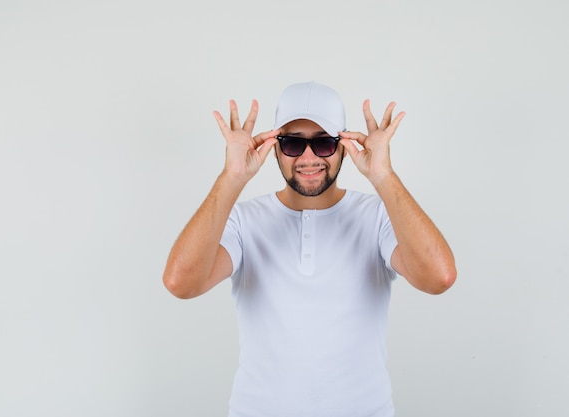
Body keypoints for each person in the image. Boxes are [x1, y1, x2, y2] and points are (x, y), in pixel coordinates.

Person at [162, 81, 457, 417]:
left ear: (344, 146)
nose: (308, 157)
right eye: (292, 144)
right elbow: (180, 283)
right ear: (274, 147)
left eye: (323, 144)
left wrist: (383, 175)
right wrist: (231, 177)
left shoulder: (377, 216)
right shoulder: (243, 221)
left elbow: (439, 277)